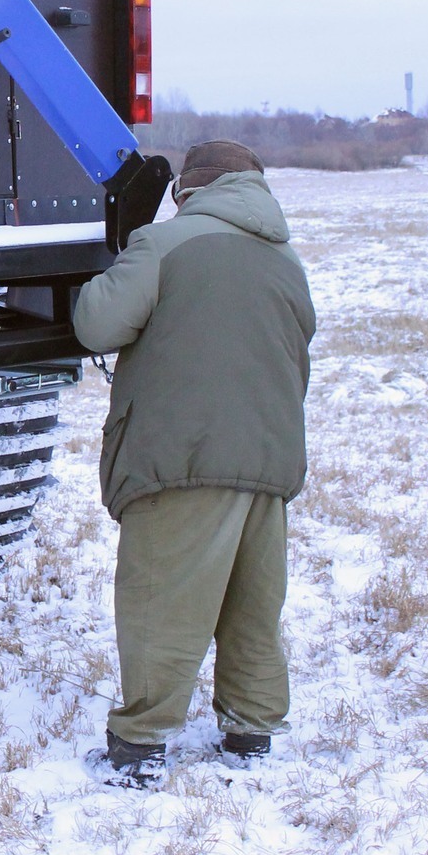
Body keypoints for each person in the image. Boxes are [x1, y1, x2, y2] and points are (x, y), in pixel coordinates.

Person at [72, 141, 315, 787]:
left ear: (188, 190)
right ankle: (251, 734)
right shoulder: (284, 255)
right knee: (252, 604)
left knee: (162, 602)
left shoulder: (164, 243)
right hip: (268, 453)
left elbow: (97, 326)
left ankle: (139, 749)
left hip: (183, 454)